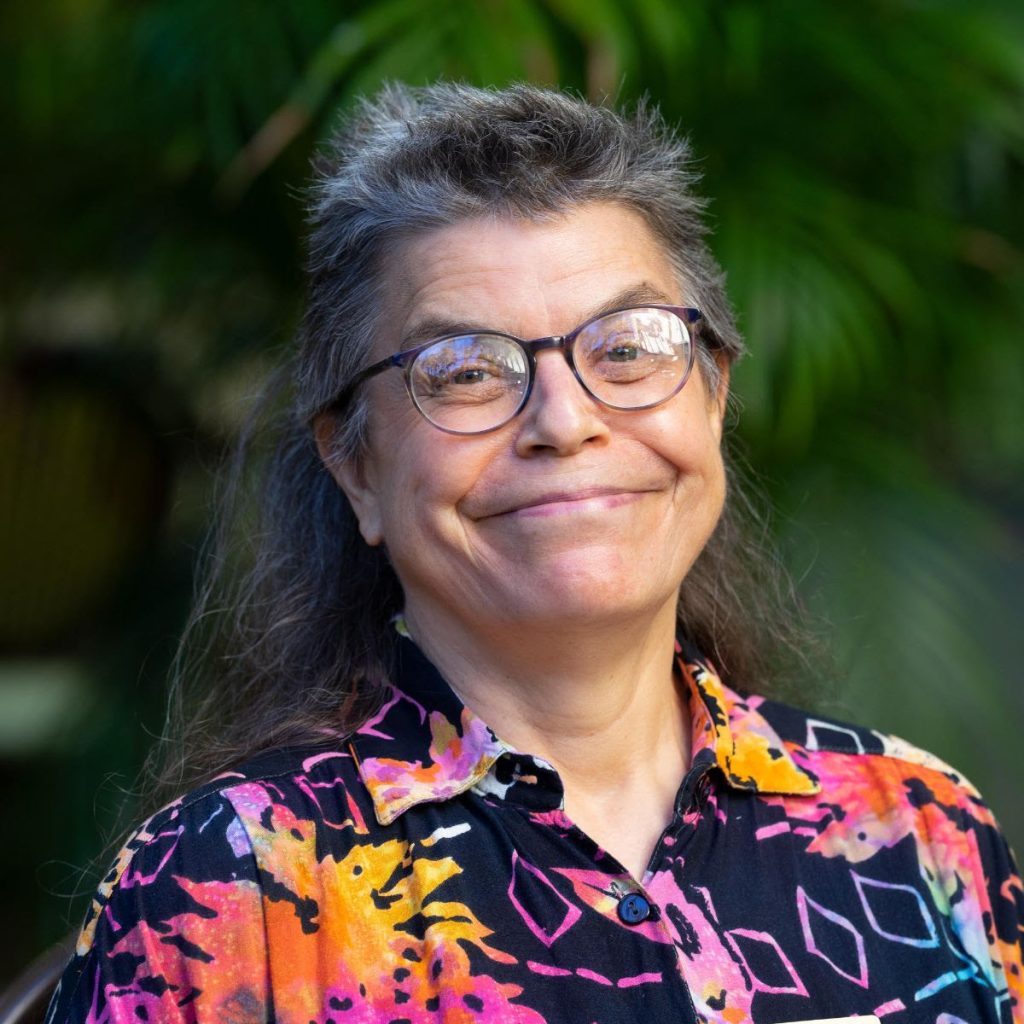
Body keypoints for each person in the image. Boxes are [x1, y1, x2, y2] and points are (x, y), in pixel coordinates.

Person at [47, 83, 1022, 1024]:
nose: (564, 420)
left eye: (626, 348)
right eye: (465, 370)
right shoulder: (225, 895)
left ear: (713, 397)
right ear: (356, 465)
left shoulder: (919, 832)